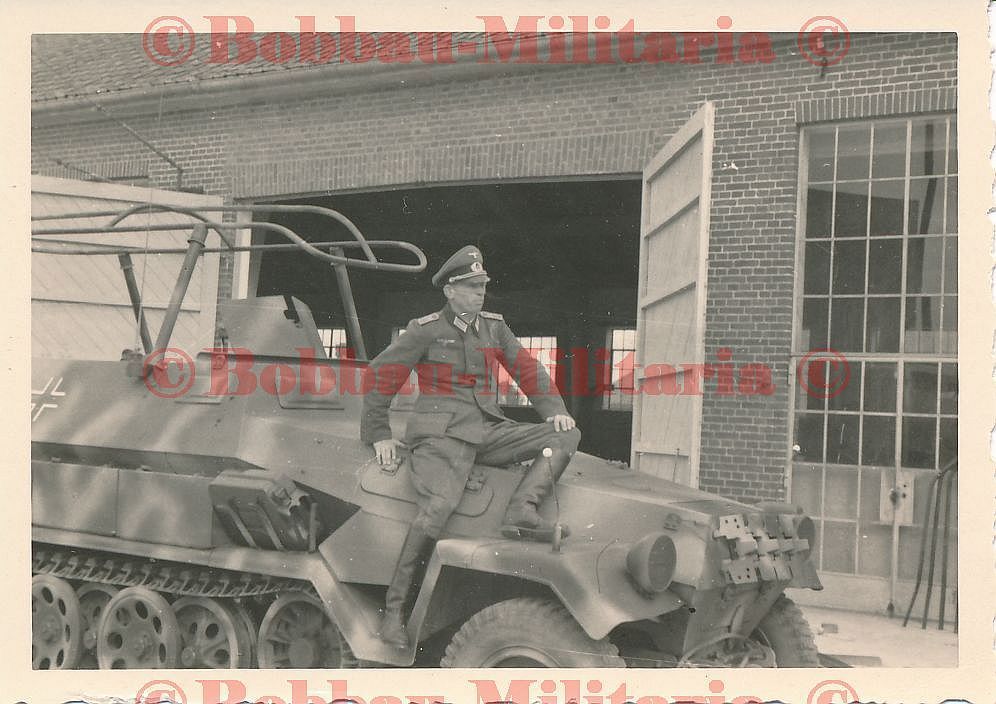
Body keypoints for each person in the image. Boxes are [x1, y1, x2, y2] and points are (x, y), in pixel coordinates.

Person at [360, 244, 581, 649]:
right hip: (439, 436)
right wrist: (379, 434)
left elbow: (528, 370)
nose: (481, 293)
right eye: (472, 287)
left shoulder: (494, 328)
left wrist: (556, 412)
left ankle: (521, 510)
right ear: (450, 291)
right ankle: (394, 613)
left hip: (485, 430)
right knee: (437, 509)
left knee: (566, 436)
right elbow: (380, 375)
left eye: (482, 286)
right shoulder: (425, 329)